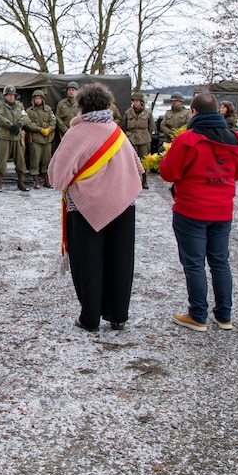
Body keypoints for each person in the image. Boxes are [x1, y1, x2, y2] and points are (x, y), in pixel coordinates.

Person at [47, 83, 143, 333]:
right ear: (108, 105)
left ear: (80, 106)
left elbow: (57, 177)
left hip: (85, 208)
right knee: (120, 260)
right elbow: (138, 168)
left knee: (88, 262)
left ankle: (90, 318)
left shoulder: (76, 134)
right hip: (123, 205)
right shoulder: (117, 132)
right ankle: (118, 315)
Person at [159, 92, 238, 332]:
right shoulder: (234, 138)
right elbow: (237, 172)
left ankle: (198, 315)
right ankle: (224, 315)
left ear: (193, 113)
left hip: (192, 209)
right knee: (220, 262)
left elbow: (168, 172)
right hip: (222, 209)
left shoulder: (188, 139)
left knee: (194, 263)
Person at [0, 85, 29, 192]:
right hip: (5, 135)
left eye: (13, 95)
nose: (11, 97)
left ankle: (21, 182)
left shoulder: (19, 105)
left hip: (17, 136)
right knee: (2, 160)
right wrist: (10, 125)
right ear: (5, 96)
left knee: (20, 160)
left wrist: (19, 124)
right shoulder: (1, 105)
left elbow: (25, 117)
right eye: (9, 95)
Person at [122, 91, 155, 189]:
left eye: (137, 101)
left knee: (144, 160)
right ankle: (132, 181)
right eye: (134, 101)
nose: (135, 103)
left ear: (141, 102)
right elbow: (124, 126)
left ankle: (144, 180)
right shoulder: (128, 112)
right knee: (131, 160)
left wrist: (146, 135)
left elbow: (151, 127)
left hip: (144, 139)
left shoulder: (148, 113)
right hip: (131, 138)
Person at [24, 89, 55, 189]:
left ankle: (47, 180)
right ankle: (36, 180)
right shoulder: (30, 111)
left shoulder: (48, 109)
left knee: (47, 159)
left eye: (39, 98)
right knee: (35, 159)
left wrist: (49, 129)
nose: (38, 100)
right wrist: (40, 129)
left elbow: (53, 121)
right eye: (36, 98)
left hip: (47, 138)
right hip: (35, 138)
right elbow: (28, 124)